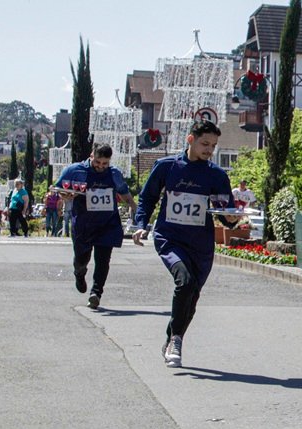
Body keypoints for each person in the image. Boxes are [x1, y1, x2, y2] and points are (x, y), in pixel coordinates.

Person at [132, 120, 241, 368]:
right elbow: (147, 198)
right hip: (170, 238)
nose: (209, 150)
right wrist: (141, 225)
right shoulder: (166, 167)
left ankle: (172, 336)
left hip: (201, 244)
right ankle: (177, 340)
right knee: (185, 281)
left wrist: (232, 220)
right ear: (190, 139)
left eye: (213, 146)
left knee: (191, 297)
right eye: (204, 143)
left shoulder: (216, 175)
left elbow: (225, 212)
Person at [55, 144, 137, 309]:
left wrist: (133, 206)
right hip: (83, 223)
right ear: (91, 155)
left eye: (104, 164)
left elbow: (123, 192)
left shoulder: (114, 173)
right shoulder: (75, 170)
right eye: (97, 162)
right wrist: (66, 195)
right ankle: (79, 272)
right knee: (81, 257)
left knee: (103, 260)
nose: (100, 167)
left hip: (107, 223)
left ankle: (96, 292)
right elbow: (59, 189)